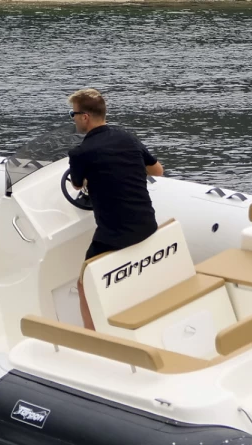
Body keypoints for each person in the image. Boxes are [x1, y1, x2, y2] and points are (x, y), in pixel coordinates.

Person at [67, 88, 164, 331]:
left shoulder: (80, 153)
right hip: (147, 225)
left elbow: (77, 184)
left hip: (115, 235)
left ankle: (91, 336)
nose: (73, 119)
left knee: (84, 283)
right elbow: (157, 170)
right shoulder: (127, 138)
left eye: (73, 114)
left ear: (85, 117)